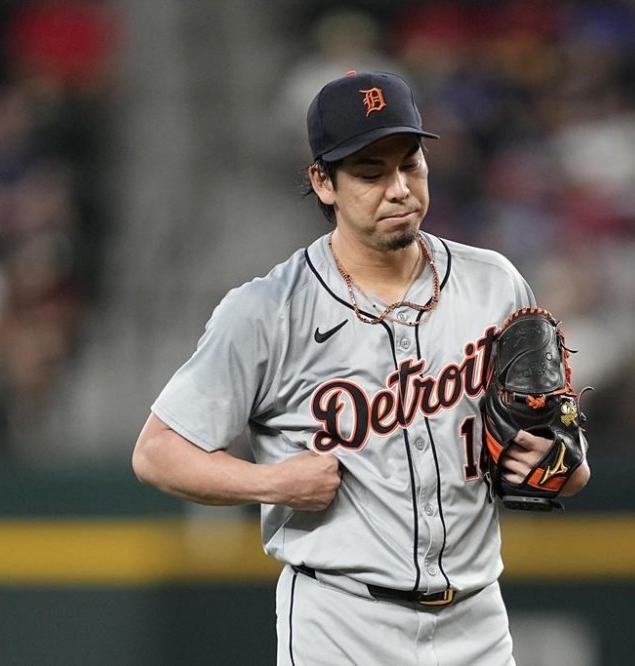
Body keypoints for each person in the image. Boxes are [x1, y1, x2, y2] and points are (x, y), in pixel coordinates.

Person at [132, 70, 591, 665]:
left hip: (476, 620)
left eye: (411, 165)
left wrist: (559, 463)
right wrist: (271, 483)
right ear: (322, 182)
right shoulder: (268, 310)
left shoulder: (494, 284)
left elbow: (560, 453)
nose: (399, 189)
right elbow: (158, 453)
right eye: (371, 174)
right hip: (341, 624)